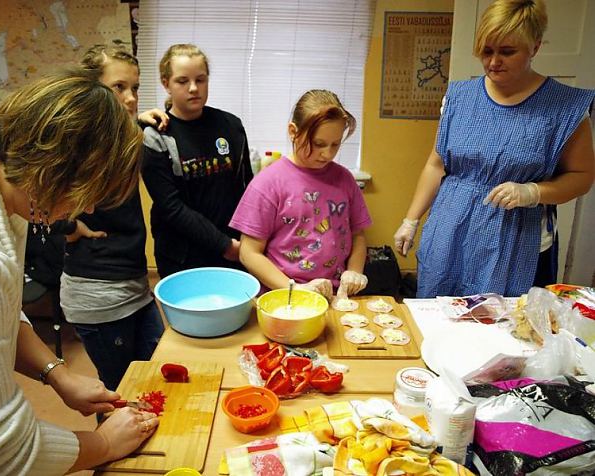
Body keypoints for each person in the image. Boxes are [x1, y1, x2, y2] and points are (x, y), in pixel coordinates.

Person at [0, 71, 159, 474]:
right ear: (51, 171)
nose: (85, 210)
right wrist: (102, 444)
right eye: (84, 193)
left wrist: (57, 373)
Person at [394, 0, 595, 298]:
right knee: (442, 320)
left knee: (505, 328)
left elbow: (582, 176)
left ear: (535, 48)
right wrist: (410, 219)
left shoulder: (564, 108)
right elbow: (437, 164)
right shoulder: (459, 98)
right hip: (451, 231)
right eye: (487, 51)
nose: (493, 62)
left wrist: (533, 192)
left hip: (516, 238)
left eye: (507, 51)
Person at [59, 44, 167, 392]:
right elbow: (31, 198)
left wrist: (135, 119)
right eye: (118, 88)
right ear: (89, 88)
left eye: (134, 88)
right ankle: (111, 448)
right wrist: (69, 227)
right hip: (99, 296)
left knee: (153, 380)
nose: (131, 97)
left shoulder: (116, 135)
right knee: (120, 394)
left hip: (134, 288)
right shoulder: (75, 143)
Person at [230, 89, 372, 301]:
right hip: (283, 296)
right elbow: (248, 253)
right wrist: (295, 290)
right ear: (293, 131)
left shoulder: (344, 179)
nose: (328, 154)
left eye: (335, 144)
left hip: (334, 295)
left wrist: (354, 272)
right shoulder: (268, 183)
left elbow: (358, 235)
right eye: (319, 144)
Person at [141, 43, 253, 278]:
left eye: (200, 80)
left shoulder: (231, 126)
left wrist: (248, 243)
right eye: (182, 81)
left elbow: (247, 189)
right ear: (166, 83)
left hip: (233, 251)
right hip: (182, 256)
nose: (194, 88)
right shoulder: (156, 136)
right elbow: (171, 208)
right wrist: (224, 245)